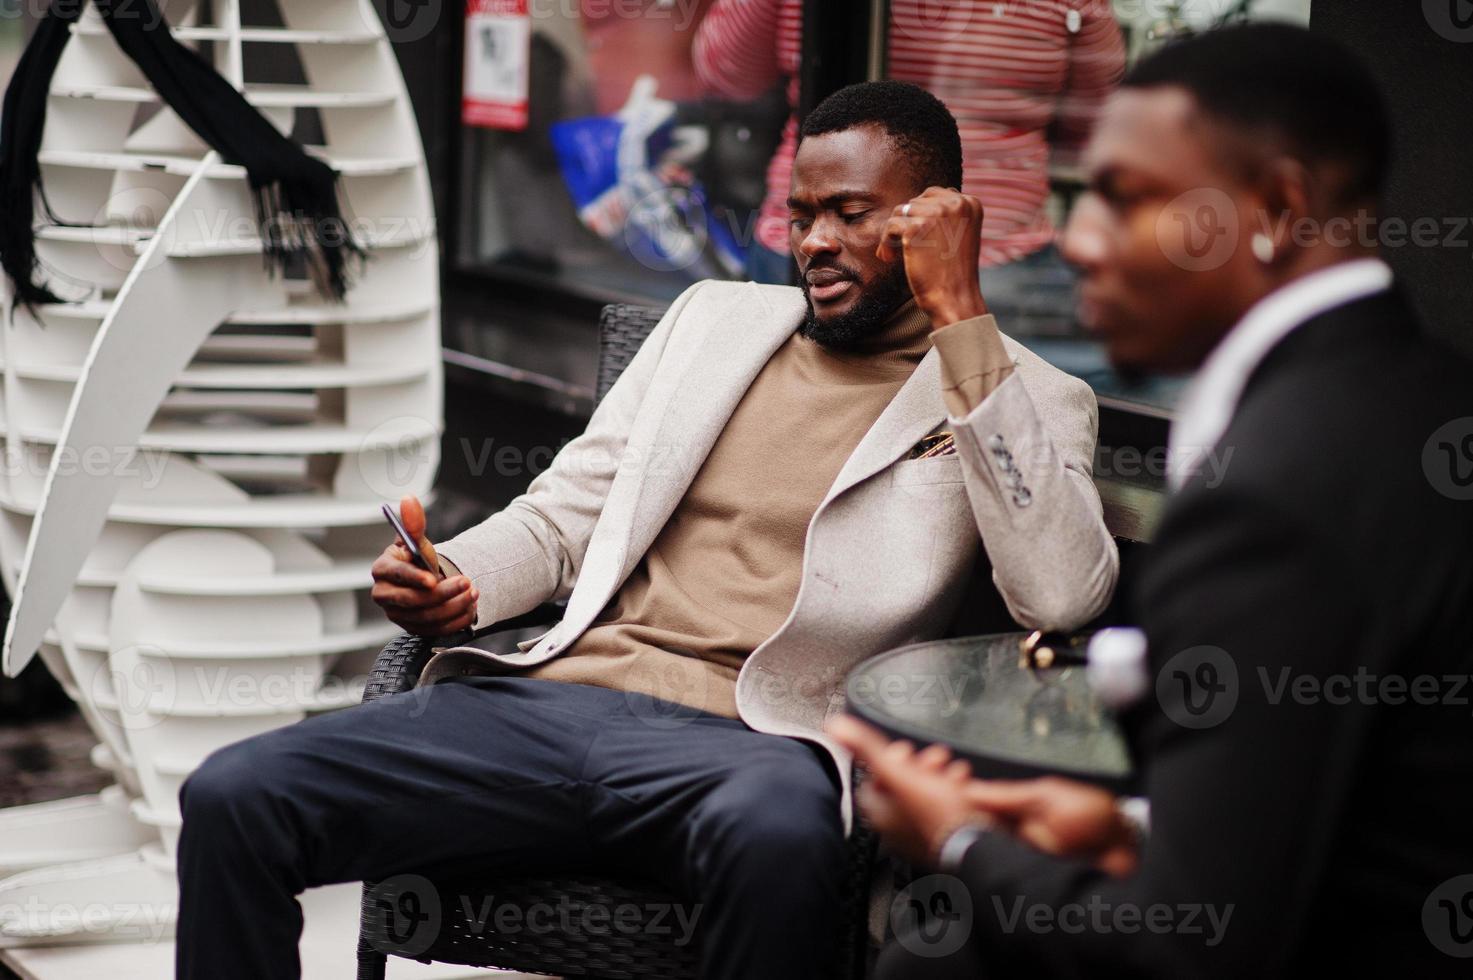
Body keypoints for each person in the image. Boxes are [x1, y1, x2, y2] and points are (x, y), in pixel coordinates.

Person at [172, 81, 1118, 979]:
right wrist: (458, 578)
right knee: (233, 798)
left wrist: (962, 326)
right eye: (800, 215)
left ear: (938, 216)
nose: (816, 242)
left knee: (780, 839)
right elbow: (561, 516)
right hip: (543, 705)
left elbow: (1060, 595)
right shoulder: (711, 322)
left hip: (756, 743)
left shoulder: (1021, 393)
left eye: (851, 213)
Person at [829, 24, 1473, 978]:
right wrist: (1128, 824)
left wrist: (961, 838)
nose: (1077, 242)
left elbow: (1190, 946)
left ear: (1273, 209)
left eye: (1124, 199)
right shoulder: (1406, 399)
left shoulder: (1282, 490)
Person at [694, 0, 1125, 305]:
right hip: (992, 248)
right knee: (974, 414)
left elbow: (729, 75)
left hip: (812, 242)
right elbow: (1097, 119)